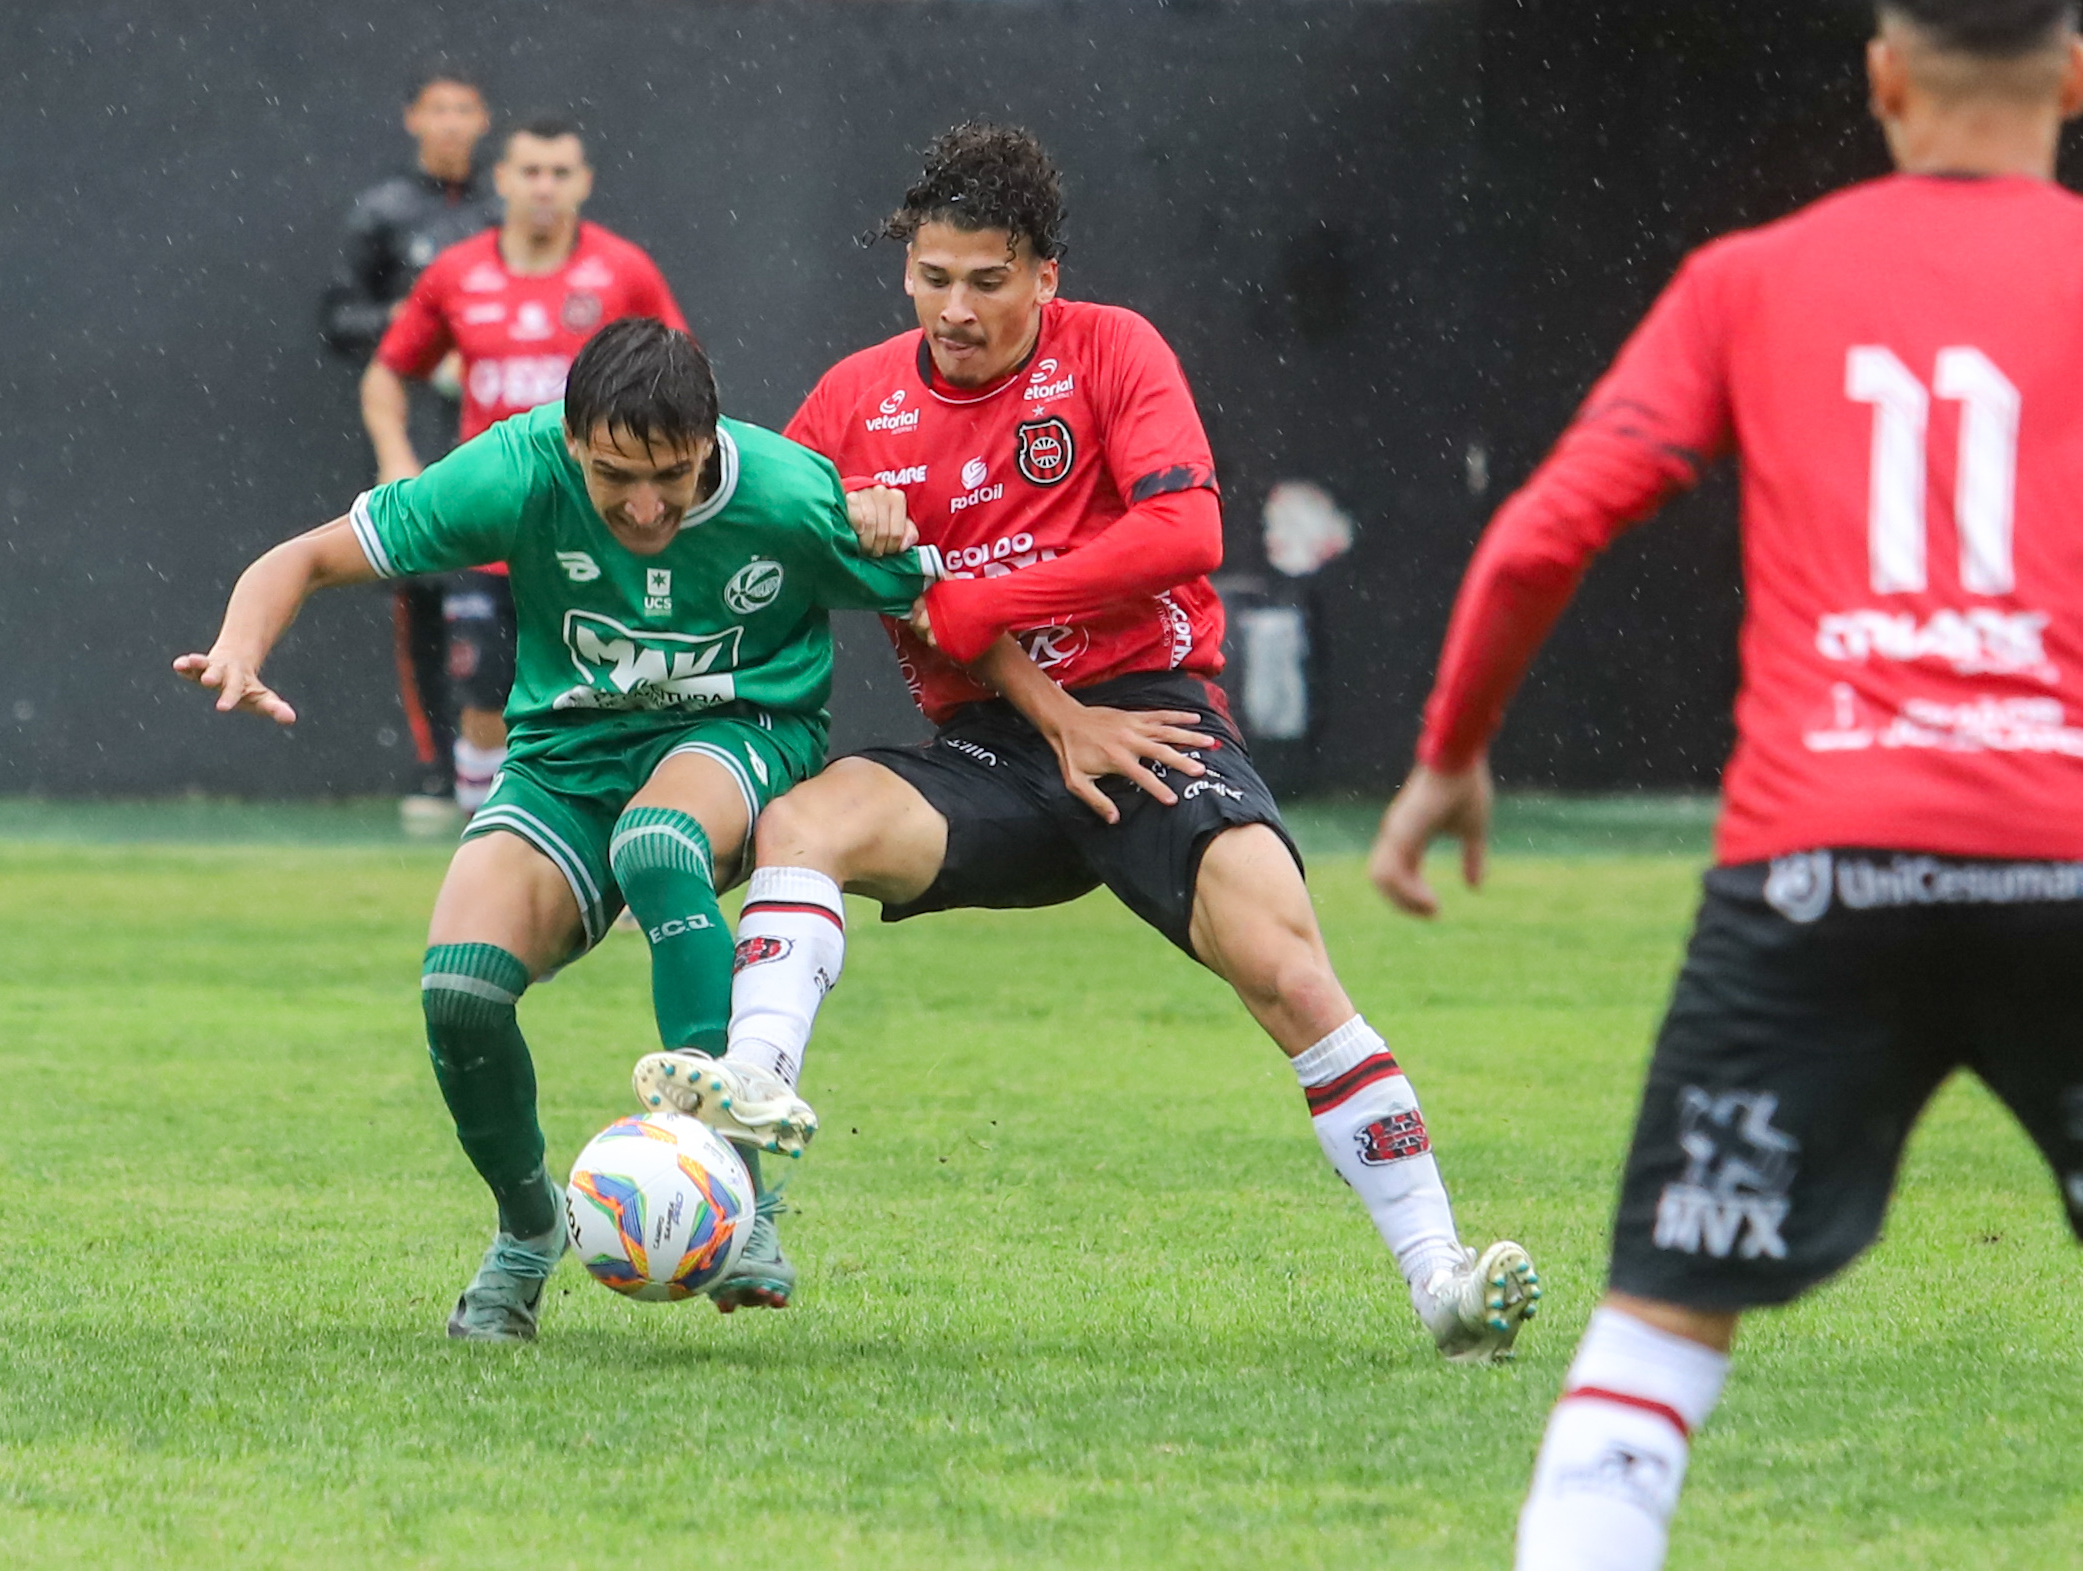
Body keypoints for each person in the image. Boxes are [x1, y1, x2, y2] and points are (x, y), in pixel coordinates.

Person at [633, 124, 1540, 1358]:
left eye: (987, 281)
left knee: (1286, 967)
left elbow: (1185, 535)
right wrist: (848, 512)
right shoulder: (852, 401)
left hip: (1149, 718)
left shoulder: (1113, 349)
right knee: (813, 820)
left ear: (1044, 277)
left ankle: (1442, 1280)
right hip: (988, 750)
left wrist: (987, 601)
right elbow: (762, 527)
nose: (956, 308)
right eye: (933, 277)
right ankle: (753, 1086)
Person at [1366, 4, 2083, 1564]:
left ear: (1883, 74)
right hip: (2067, 854)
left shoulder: (1751, 280)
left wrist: (1447, 753)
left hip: (1814, 871)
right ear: (2075, 78)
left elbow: (1542, 535)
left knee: (1664, 1324)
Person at [176, 320, 976, 1339]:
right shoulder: (514, 469)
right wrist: (239, 648)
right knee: (457, 992)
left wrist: (894, 532)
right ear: (568, 442)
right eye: (613, 477)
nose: (644, 507)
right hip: (564, 761)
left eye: (673, 478)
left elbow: (952, 603)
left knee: (657, 842)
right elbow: (305, 556)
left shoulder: (784, 493)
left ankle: (742, 1190)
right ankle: (526, 1229)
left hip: (740, 733)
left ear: (711, 444)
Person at [363, 115, 688, 819]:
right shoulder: (455, 273)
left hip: (601, 528)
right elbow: (387, 373)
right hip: (496, 528)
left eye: (560, 172)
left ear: (584, 183)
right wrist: (396, 458)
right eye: (531, 171)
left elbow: (681, 378)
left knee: (619, 696)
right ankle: (485, 846)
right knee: (485, 700)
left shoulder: (623, 271)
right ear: (502, 179)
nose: (544, 187)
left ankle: (625, 857)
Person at [319, 66, 501, 825]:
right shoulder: (383, 212)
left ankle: (506, 768)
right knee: (422, 599)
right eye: (439, 109)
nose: (453, 122)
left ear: (484, 119)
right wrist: (418, 329)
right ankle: (435, 771)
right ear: (413, 120)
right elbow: (337, 322)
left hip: (494, 441)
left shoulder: (503, 211)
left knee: (510, 600)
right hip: (416, 439)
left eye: (466, 107)